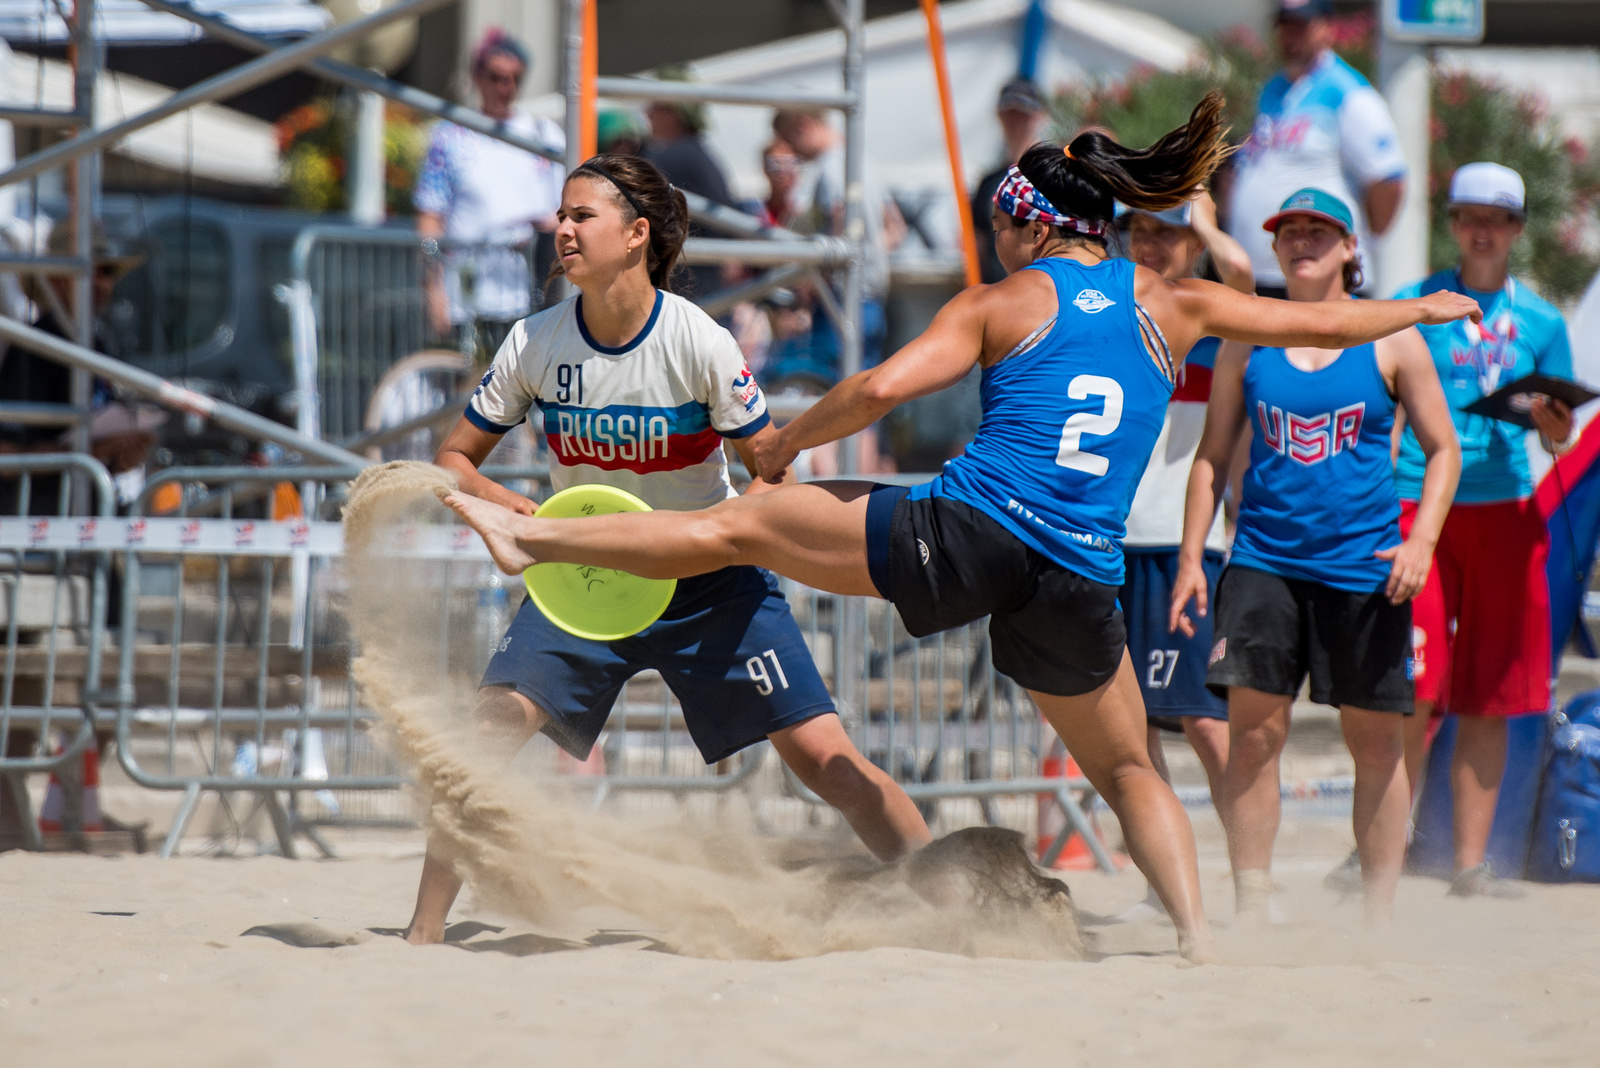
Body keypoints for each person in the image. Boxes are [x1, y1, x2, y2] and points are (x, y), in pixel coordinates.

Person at [437, 94, 1483, 961]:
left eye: (998, 225)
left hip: (969, 534)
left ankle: (537, 541)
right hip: (1077, 573)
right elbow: (1317, 320)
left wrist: (784, 442)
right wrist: (1418, 309)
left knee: (736, 527)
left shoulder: (1004, 300)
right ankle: (1199, 940)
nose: (995, 242)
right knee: (1129, 771)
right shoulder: (1173, 302)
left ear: (1032, 225)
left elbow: (881, 389)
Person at [403, 154, 932, 944]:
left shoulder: (698, 340)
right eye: (561, 214)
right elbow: (453, 459)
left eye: (582, 215)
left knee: (825, 759)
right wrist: (515, 514)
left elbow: (772, 470)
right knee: (484, 735)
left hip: (709, 581)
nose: (563, 229)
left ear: (636, 235)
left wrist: (742, 535)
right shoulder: (534, 341)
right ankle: (421, 935)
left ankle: (956, 895)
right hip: (585, 577)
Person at [1173, 188, 1462, 923]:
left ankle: (1378, 916)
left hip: (1364, 566)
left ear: (1350, 249)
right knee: (1254, 734)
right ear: (1273, 248)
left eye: (1319, 230)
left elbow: (1443, 449)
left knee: (1376, 742)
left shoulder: (1393, 338)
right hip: (1263, 560)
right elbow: (1211, 457)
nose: (1302, 240)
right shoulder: (1248, 336)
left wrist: (1421, 541)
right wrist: (1191, 558)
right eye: (1289, 230)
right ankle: (1252, 901)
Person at [1389, 162, 1574, 898]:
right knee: (1412, 686)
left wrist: (1552, 422)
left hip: (1506, 512)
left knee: (1489, 696)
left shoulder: (1543, 322)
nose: (1483, 230)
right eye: (1470, 215)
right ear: (1453, 223)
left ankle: (1467, 863)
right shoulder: (1417, 302)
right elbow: (1387, 403)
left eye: (1497, 218)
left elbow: (1560, 436)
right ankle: (1385, 848)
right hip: (1417, 504)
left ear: (1518, 229)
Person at [1111, 190, 1252, 923]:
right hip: (1114, 544)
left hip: (1189, 548)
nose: (1150, 243)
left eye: (1166, 233)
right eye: (1138, 229)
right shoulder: (1116, 314)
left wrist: (1203, 221)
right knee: (1131, 733)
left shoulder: (1212, 317)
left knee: (1206, 723)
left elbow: (1246, 278)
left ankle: (1251, 882)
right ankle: (1158, 888)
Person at [1227, 0, 1407, 297]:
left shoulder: (1348, 91)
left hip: (1321, 281)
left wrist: (1360, 239)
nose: (1291, 35)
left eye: (1301, 25)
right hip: (1264, 275)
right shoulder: (1273, 89)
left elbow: (1388, 180)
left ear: (1327, 28)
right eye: (1285, 25)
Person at [414, 28, 565, 361]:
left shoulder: (545, 135)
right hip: (466, 298)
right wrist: (433, 291)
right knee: (471, 384)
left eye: (514, 79)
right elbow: (430, 218)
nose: (505, 87)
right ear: (477, 77)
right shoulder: (450, 137)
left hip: (531, 297)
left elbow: (567, 209)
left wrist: (547, 225)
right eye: (496, 77)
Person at [641, 87, 738, 300]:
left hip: (687, 286)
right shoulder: (698, 153)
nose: (647, 114)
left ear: (674, 114)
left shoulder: (674, 157)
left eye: (654, 107)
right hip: (703, 284)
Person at [971, 79, 1052, 284]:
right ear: (999, 116)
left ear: (1038, 116)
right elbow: (978, 243)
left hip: (1045, 285)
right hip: (1000, 286)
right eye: (1009, 113)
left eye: (1022, 113)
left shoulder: (1053, 176)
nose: (1015, 121)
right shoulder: (990, 183)